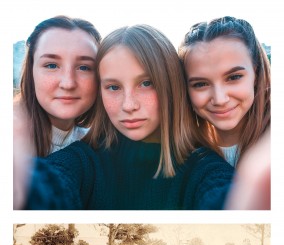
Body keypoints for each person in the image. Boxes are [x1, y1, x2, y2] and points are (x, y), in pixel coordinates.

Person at [15, 24, 234, 210]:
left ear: (171, 86)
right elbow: (50, 184)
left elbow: (225, 198)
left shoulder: (206, 170)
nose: (128, 105)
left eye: (146, 83)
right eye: (113, 87)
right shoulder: (84, 159)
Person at [179, 16, 270, 167]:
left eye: (234, 77)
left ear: (256, 73)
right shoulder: (183, 156)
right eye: (201, 84)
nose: (220, 99)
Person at [14, 15, 101, 157]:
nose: (68, 83)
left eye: (84, 67)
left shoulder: (99, 147)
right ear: (31, 72)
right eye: (52, 65)